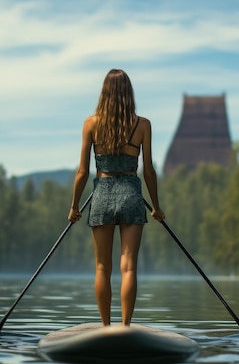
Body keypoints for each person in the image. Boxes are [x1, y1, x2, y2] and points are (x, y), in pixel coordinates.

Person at [68, 68, 165, 327]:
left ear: (104, 93)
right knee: (129, 267)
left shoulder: (91, 123)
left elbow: (82, 171)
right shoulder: (142, 124)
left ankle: (105, 327)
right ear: (129, 93)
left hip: (102, 194)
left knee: (102, 268)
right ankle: (125, 327)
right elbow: (149, 171)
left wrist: (74, 205)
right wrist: (156, 207)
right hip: (132, 195)